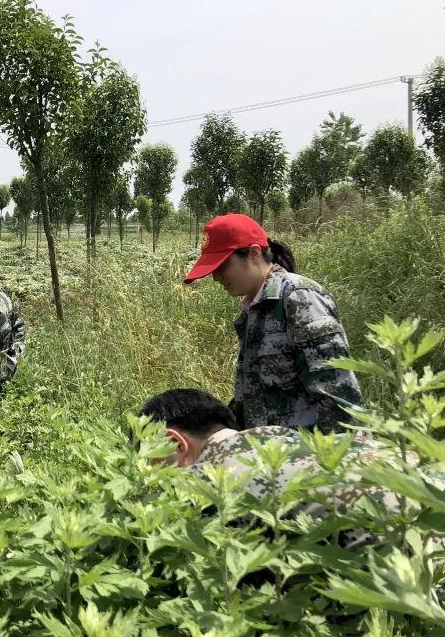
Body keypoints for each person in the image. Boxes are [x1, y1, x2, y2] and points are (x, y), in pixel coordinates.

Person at [140, 388, 404, 547]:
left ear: (176, 444)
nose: (153, 478)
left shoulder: (211, 483)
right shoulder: (277, 435)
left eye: (151, 461)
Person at [183, 213, 361, 432]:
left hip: (311, 456)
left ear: (254, 254)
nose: (216, 277)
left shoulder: (299, 297)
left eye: (221, 267)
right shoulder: (255, 309)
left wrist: (334, 460)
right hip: (273, 456)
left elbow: (338, 394)